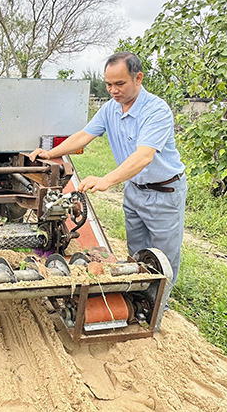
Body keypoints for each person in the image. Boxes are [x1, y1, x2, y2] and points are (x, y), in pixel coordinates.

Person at [28, 51, 186, 303]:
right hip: (134, 190)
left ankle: (159, 306)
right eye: (109, 84)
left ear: (138, 78)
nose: (113, 90)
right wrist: (49, 153)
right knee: (136, 251)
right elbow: (83, 136)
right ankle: (138, 298)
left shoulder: (156, 110)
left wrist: (107, 180)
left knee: (164, 256)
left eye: (120, 84)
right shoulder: (110, 109)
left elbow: (144, 156)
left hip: (164, 192)